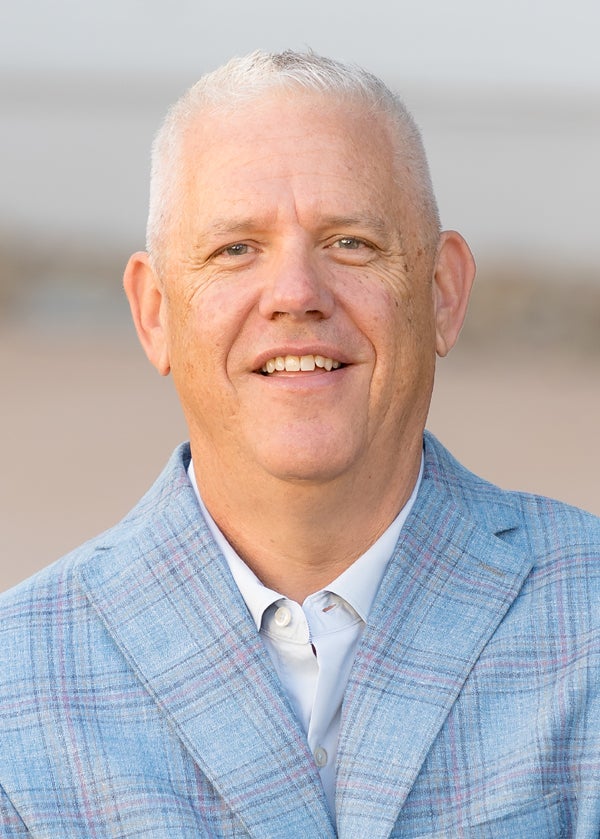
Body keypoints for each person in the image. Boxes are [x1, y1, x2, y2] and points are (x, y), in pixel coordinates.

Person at [0, 50, 598, 838]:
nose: (295, 295)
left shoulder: (586, 615)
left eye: (350, 242)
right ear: (155, 312)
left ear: (443, 293)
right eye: (235, 249)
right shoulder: (18, 682)